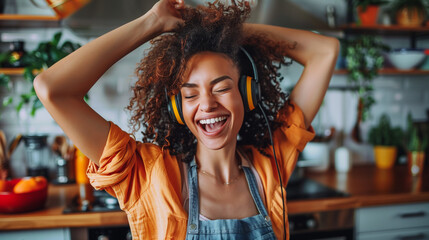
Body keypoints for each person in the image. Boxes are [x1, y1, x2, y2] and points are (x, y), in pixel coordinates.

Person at [34, 0, 339, 239]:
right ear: (177, 109)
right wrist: (151, 23)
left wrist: (226, 32)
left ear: (248, 95)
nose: (206, 104)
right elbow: (53, 89)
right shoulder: (148, 176)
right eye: (190, 95)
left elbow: (326, 50)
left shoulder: (269, 166)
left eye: (221, 88)